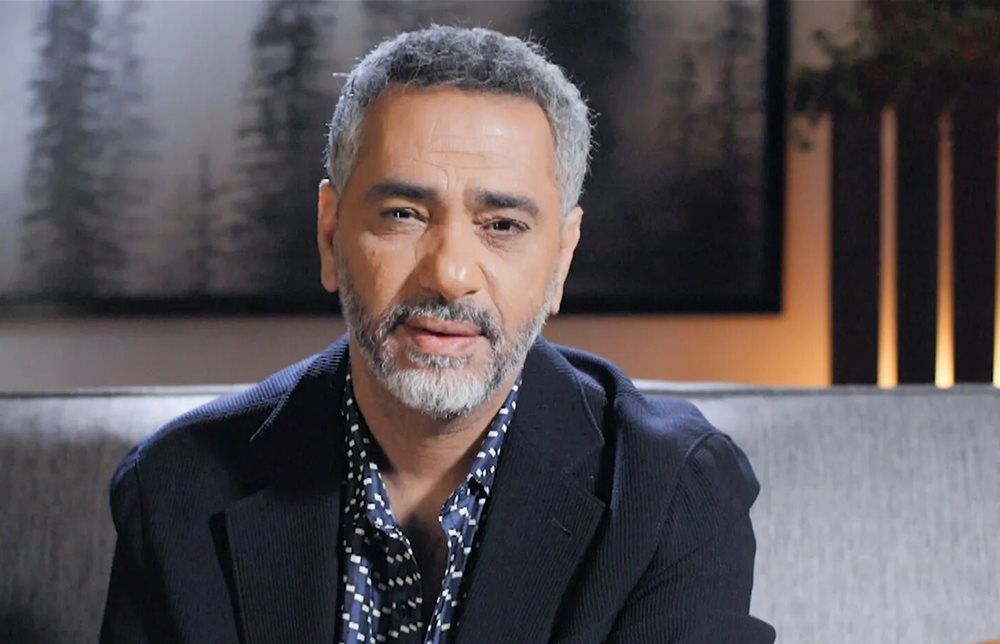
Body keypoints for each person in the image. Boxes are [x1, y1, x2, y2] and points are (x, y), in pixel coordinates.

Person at [101, 25, 774, 644]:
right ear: (331, 235)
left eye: (502, 226)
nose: (450, 275)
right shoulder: (176, 491)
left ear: (561, 259)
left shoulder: (670, 495)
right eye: (404, 214)